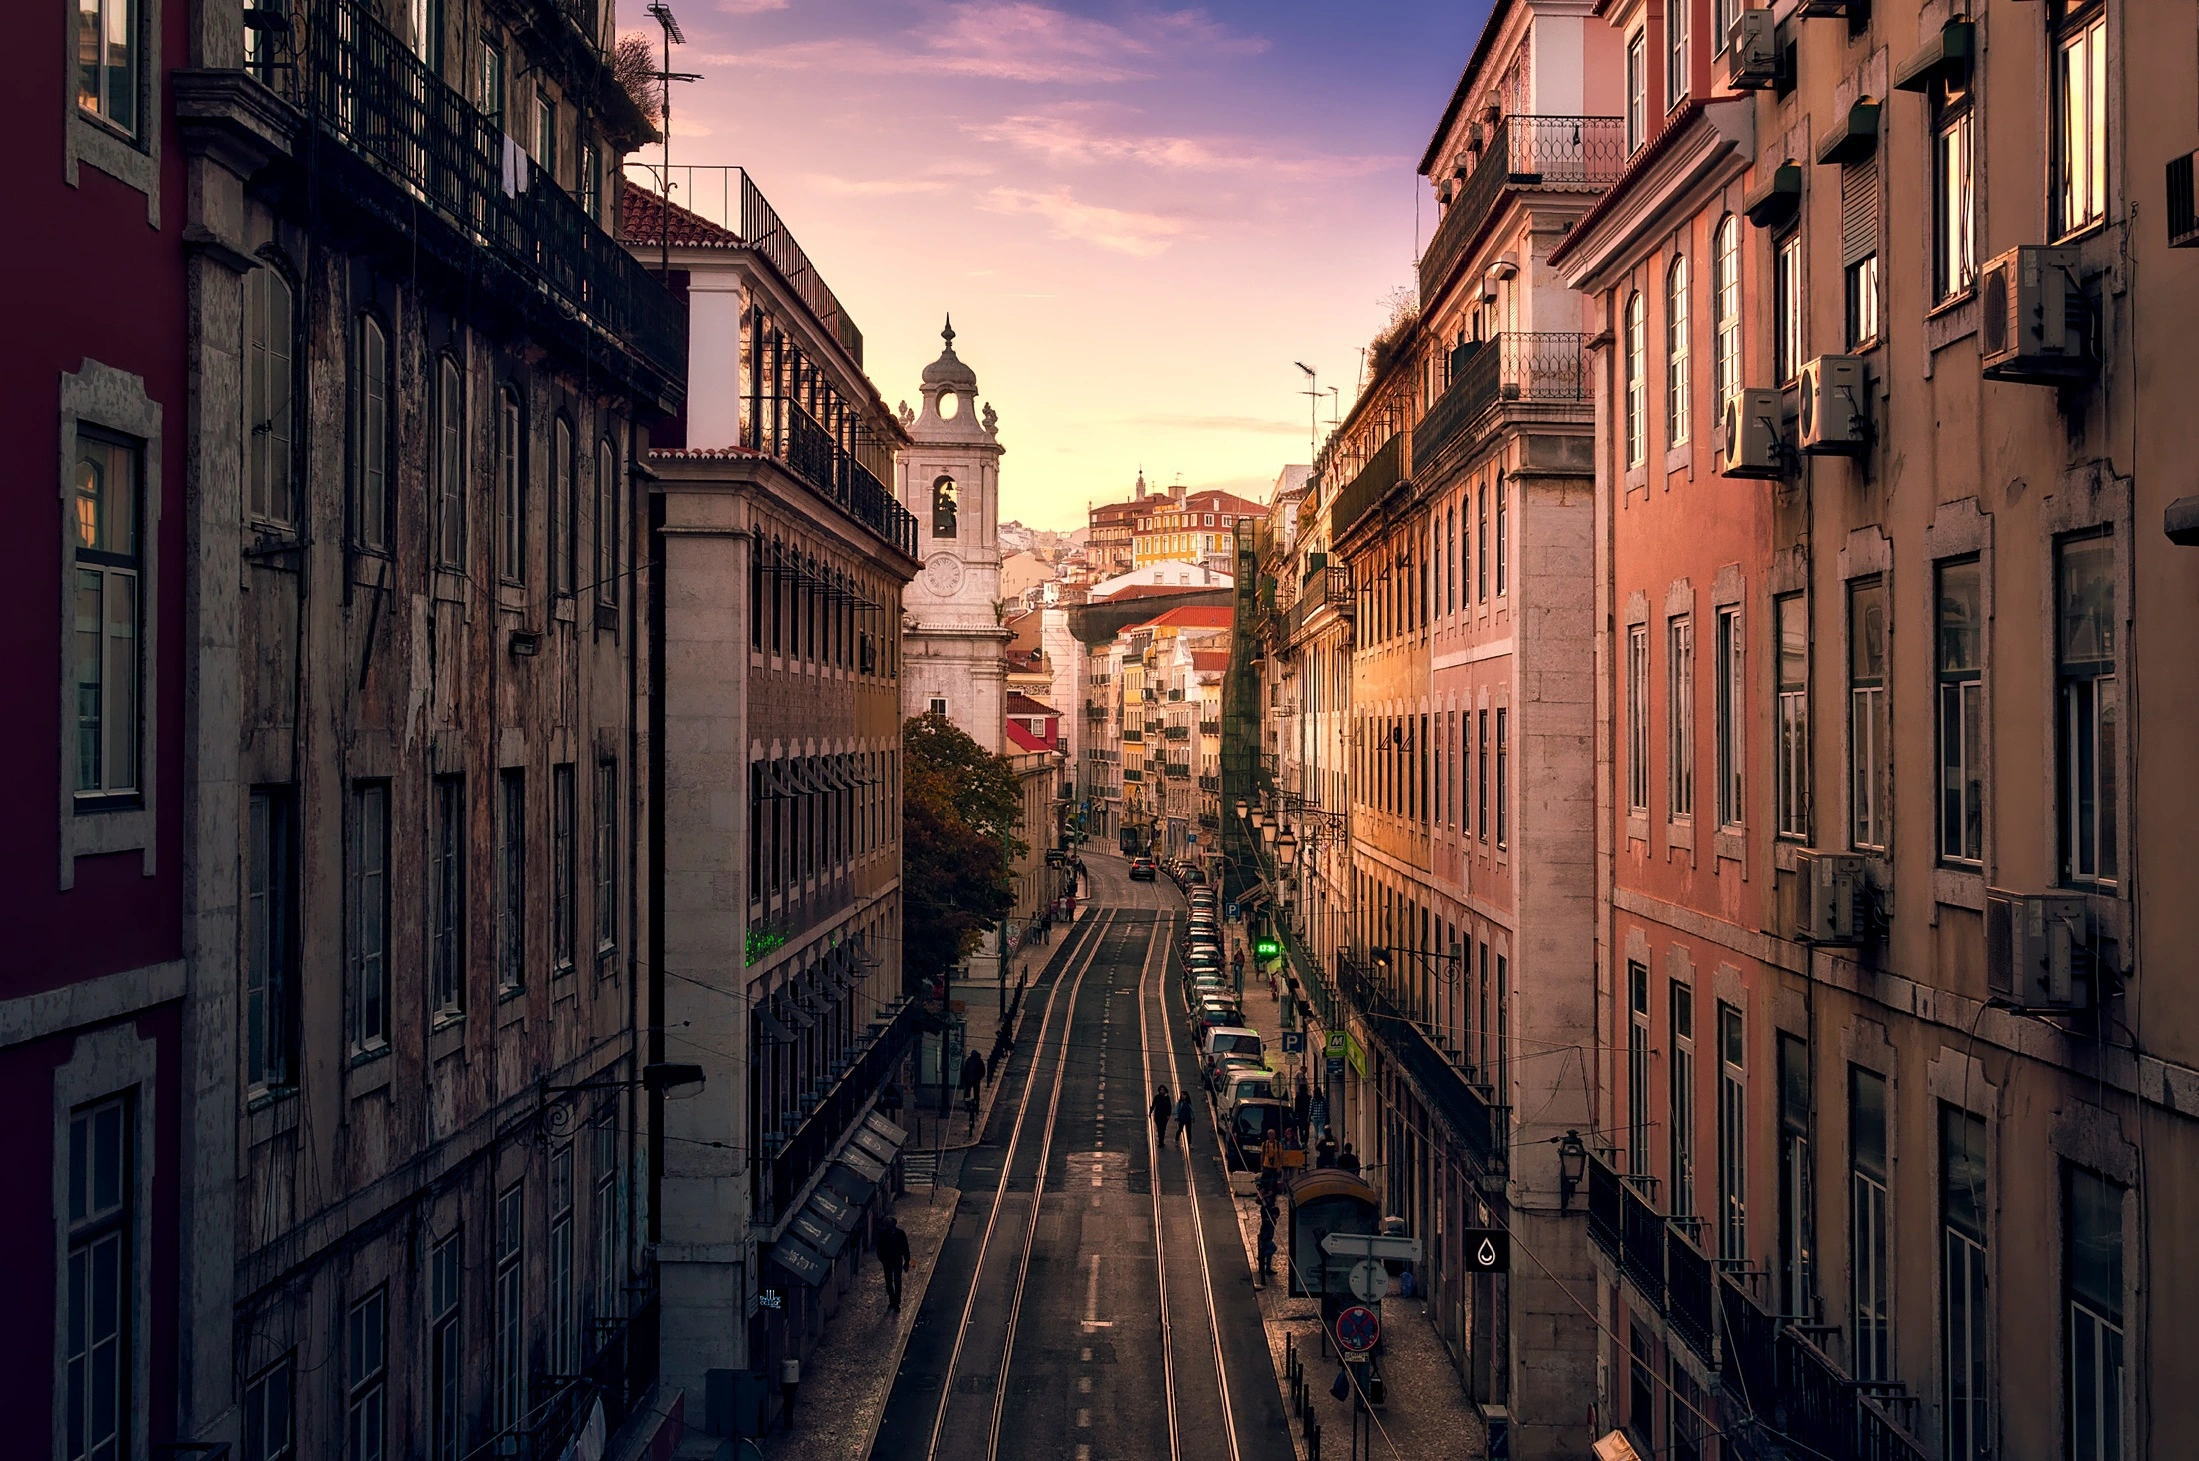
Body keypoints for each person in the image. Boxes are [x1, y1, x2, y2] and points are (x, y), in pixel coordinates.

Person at [876, 1214, 913, 1313]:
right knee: (889, 1282)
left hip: (897, 1261)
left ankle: (897, 1302)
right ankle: (892, 1300)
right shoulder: (883, 1235)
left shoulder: (900, 1234)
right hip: (888, 1262)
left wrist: (907, 1261)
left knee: (897, 1281)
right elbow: (879, 1250)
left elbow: (905, 1248)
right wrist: (883, 1260)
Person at [779, 1354, 801, 1430]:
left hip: (787, 1383)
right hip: (791, 1383)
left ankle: (787, 1424)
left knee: (788, 1403)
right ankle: (788, 1424)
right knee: (789, 1403)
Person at [1257, 1209, 1277, 1279]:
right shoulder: (1267, 1221)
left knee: (1270, 1254)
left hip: (1267, 1239)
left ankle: (1268, 1269)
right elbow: (1262, 1231)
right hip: (1266, 1240)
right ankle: (1262, 1257)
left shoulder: (1272, 1221)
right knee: (1273, 1248)